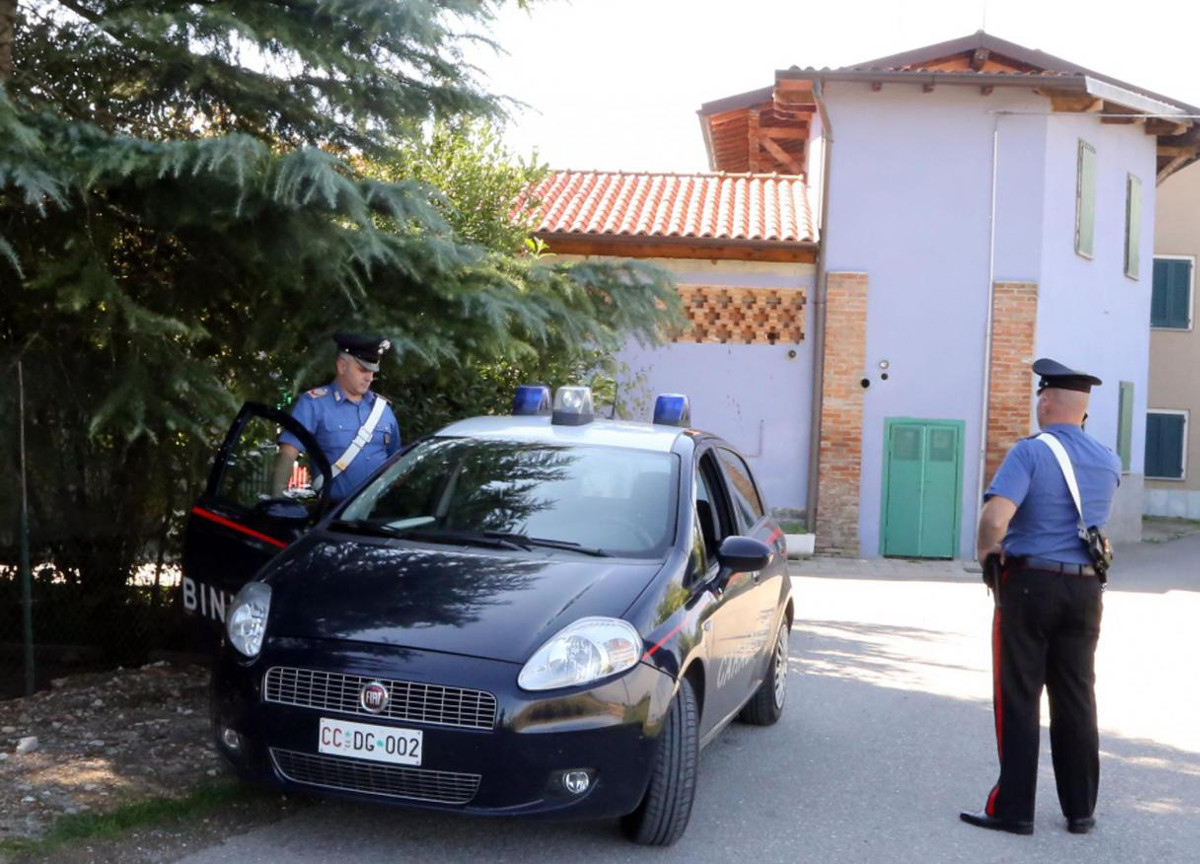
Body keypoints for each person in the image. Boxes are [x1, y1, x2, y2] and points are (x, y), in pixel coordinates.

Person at [960, 357, 1121, 837]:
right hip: (1086, 588)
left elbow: (995, 519)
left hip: (1031, 586)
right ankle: (1080, 811)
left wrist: (989, 553)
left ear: (1045, 402)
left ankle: (1014, 809)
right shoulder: (1108, 460)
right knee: (1076, 697)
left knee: (1020, 696)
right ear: (1084, 412)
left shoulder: (1030, 452)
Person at [271, 333, 402, 503]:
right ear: (342, 366)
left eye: (372, 371)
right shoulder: (314, 404)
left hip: (378, 513)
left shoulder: (383, 410)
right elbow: (287, 454)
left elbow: (396, 460)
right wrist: (275, 502)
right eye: (363, 370)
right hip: (334, 513)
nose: (369, 377)